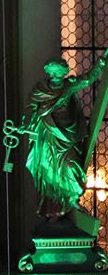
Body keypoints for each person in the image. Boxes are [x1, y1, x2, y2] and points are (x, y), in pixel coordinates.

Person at [24, 51, 108, 219]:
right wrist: (27, 123)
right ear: (48, 72)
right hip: (49, 136)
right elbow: (31, 108)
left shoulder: (69, 86)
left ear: (63, 72)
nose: (55, 75)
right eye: (53, 72)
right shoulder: (41, 89)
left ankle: (72, 198)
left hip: (68, 135)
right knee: (48, 171)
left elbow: (88, 78)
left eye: (58, 72)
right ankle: (51, 207)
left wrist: (102, 60)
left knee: (70, 166)